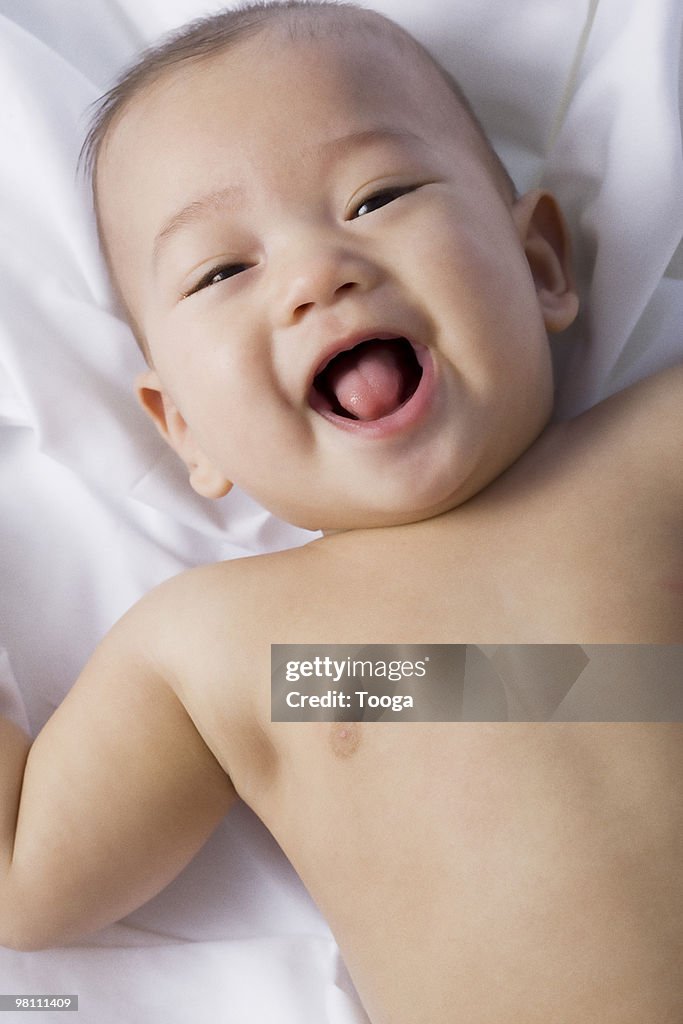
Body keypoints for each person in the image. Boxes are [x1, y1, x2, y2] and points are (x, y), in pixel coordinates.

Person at [1, 3, 681, 1021]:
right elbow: (23, 876)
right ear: (181, 424)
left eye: (376, 196)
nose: (318, 274)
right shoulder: (217, 650)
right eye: (223, 270)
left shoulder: (657, 451)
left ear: (540, 263)